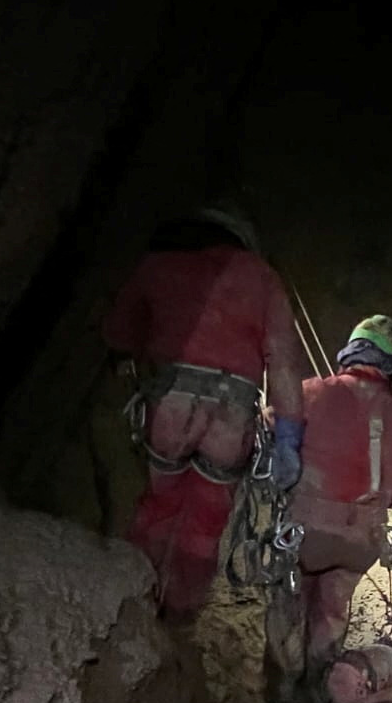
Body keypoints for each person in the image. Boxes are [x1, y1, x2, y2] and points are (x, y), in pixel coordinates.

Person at [103, 203, 308, 618]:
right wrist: (288, 438)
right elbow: (284, 365)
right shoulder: (261, 277)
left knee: (158, 506)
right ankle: (178, 619)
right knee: (208, 519)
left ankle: (133, 608)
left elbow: (118, 334)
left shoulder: (155, 265)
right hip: (232, 416)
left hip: (171, 403)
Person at [286, 314, 392, 676]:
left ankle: (282, 689)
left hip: (305, 534)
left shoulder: (310, 392)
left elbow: (269, 444)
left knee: (291, 605)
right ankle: (322, 685)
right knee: (333, 611)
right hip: (361, 541)